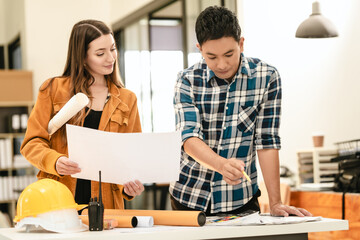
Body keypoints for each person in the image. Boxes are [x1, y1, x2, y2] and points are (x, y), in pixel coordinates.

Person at [169, 6, 311, 217]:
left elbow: (267, 141)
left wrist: (275, 203)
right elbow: (188, 137)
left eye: (229, 54)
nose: (222, 64)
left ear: (241, 43)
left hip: (241, 199)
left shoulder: (266, 77)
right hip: (189, 196)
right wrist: (221, 164)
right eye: (212, 57)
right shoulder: (188, 80)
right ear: (199, 49)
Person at [20, 19, 144, 209]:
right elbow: (31, 143)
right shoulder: (52, 89)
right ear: (82, 57)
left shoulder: (128, 99)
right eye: (100, 53)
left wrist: (128, 187)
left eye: (112, 49)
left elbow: (130, 156)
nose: (111, 58)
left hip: (107, 207)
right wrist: (55, 161)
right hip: (58, 201)